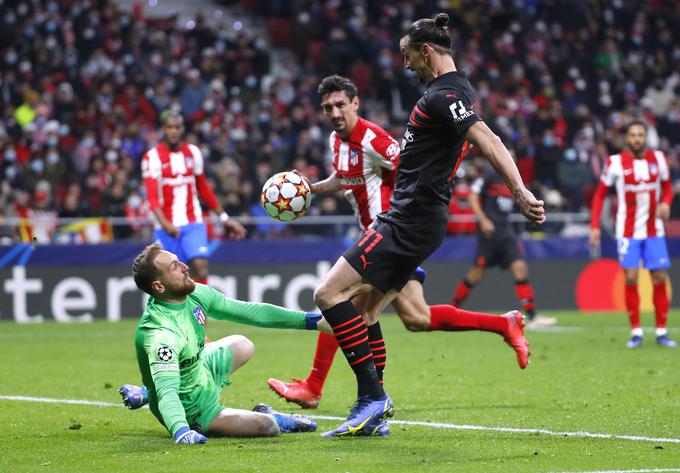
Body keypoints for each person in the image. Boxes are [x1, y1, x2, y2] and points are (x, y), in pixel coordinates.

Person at [310, 14, 545, 438]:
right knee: (366, 313)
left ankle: (372, 398)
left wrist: (520, 191)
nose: (405, 66)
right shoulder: (449, 91)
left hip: (409, 219)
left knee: (327, 293)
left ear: (426, 51)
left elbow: (488, 140)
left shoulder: (446, 95)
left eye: (406, 56)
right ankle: (372, 413)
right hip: (415, 217)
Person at [267, 75, 531, 412]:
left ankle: (321, 387)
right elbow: (346, 176)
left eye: (340, 105)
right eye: (327, 107)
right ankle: (502, 324)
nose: (334, 112)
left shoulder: (373, 137)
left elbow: (408, 167)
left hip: (391, 236)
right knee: (413, 317)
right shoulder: (337, 140)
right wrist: (310, 190)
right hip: (378, 238)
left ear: (355, 103)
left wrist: (400, 217)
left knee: (342, 300)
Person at [119, 243, 326, 444]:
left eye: (179, 262)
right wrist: (181, 431)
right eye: (175, 266)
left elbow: (250, 312)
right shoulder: (161, 334)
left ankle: (147, 390)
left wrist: (313, 321)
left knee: (243, 345)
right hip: (193, 408)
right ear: (159, 286)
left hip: (201, 368)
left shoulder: (196, 294)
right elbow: (168, 393)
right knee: (267, 426)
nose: (185, 267)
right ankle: (273, 417)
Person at [589, 120, 675, 349]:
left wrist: (666, 203)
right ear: (626, 138)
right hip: (627, 232)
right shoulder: (615, 163)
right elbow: (599, 195)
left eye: (640, 135)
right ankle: (636, 331)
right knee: (630, 278)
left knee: (659, 277)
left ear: (645, 137)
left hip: (654, 230)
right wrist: (595, 226)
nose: (637, 138)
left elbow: (667, 188)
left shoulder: (659, 159)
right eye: (633, 135)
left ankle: (661, 331)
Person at [142, 111, 246, 287]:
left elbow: (204, 188)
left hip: (193, 221)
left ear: (182, 129)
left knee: (200, 267)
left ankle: (201, 313)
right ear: (164, 130)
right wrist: (166, 224)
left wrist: (224, 218)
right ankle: (174, 313)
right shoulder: (152, 157)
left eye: (177, 127)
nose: (173, 131)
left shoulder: (193, 153)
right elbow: (152, 197)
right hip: (165, 226)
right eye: (169, 127)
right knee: (169, 278)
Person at [450, 161, 556, 328]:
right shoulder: (488, 177)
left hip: (506, 231)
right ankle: (451, 311)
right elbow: (472, 196)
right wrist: (483, 220)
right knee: (475, 275)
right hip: (490, 233)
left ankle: (533, 316)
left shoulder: (512, 181)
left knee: (520, 268)